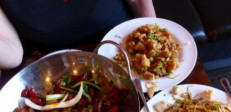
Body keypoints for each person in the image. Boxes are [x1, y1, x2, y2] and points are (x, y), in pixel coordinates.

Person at [0, 0, 156, 70]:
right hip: (58, 70)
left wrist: (155, 41)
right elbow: (14, 54)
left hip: (126, 51)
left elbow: (138, 1)